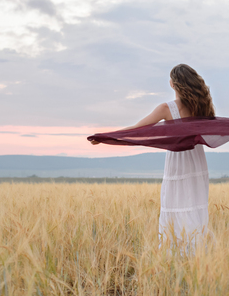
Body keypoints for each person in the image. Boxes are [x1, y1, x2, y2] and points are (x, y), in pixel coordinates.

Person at [91, 64, 214, 253]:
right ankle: (198, 251)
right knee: (194, 205)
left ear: (173, 84)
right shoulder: (202, 107)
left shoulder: (167, 108)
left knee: (175, 203)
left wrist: (106, 136)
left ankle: (176, 252)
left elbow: (137, 129)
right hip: (197, 160)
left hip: (178, 161)